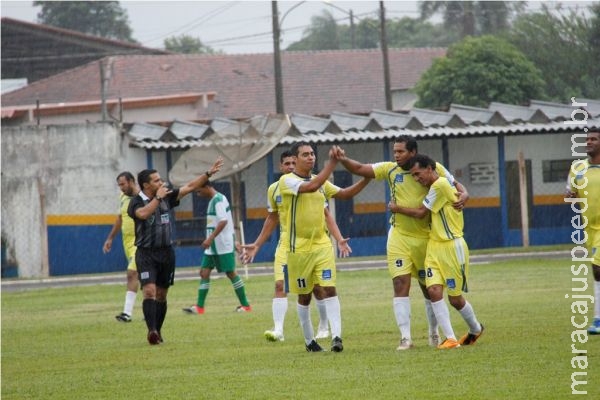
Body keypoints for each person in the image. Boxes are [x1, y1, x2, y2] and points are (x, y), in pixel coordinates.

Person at [333, 136, 469, 350]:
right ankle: (405, 338)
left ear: (413, 152)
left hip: (426, 237)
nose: (396, 155)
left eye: (400, 152)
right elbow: (360, 168)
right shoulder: (390, 169)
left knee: (429, 289)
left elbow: (456, 185)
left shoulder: (433, 168)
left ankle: (434, 332)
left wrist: (465, 194)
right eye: (394, 151)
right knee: (400, 284)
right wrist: (343, 159)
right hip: (399, 236)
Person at [242, 150, 353, 342]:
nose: (291, 167)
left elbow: (327, 212)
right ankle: (279, 329)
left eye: (294, 163)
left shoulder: (314, 183)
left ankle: (324, 326)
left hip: (314, 244)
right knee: (280, 284)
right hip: (287, 244)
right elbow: (272, 217)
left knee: (319, 288)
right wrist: (257, 244)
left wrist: (339, 238)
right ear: (281, 166)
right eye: (287, 164)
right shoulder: (275, 188)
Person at [278, 142, 371, 352]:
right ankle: (310, 341)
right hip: (298, 250)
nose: (310, 157)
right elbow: (310, 187)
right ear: (296, 159)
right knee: (304, 295)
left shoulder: (320, 181)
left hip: (322, 245)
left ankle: (337, 337)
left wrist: (366, 178)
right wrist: (332, 163)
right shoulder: (287, 180)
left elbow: (345, 193)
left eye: (312, 154)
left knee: (329, 288)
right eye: (305, 155)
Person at [391, 154, 483, 349]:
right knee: (432, 290)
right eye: (413, 176)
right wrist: (464, 192)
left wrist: (395, 207)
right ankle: (450, 338)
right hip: (434, 245)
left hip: (452, 246)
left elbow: (420, 213)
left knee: (455, 299)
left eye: (418, 174)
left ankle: (475, 328)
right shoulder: (437, 184)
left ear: (430, 169)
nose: (416, 179)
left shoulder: (440, 185)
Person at [128, 157, 223, 345]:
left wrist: (207, 174)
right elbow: (144, 214)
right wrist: (158, 198)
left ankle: (158, 331)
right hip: (146, 253)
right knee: (149, 291)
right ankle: (151, 331)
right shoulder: (136, 202)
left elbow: (188, 187)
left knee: (162, 295)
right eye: (156, 180)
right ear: (146, 185)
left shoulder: (167, 197)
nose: (161, 182)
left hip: (166, 253)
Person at [182, 180, 251, 314]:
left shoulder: (218, 200)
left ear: (206, 187)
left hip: (222, 244)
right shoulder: (216, 199)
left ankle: (246, 306)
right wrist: (234, 239)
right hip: (213, 246)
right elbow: (228, 221)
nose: (198, 193)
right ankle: (199, 307)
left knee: (230, 273)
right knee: (204, 272)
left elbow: (224, 221)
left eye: (199, 190)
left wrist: (210, 238)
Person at [566, 130, 600, 334]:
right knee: (596, 271)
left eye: (594, 139)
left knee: (597, 270)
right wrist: (570, 196)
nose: (589, 142)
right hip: (589, 228)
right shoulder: (577, 168)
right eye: (587, 139)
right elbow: (572, 194)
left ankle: (597, 319)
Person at [103, 172, 140, 322]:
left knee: (132, 273)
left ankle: (127, 313)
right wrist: (110, 238)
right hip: (128, 243)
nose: (121, 187)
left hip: (141, 242)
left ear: (132, 182)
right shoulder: (123, 197)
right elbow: (120, 218)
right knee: (143, 277)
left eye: (123, 184)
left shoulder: (142, 198)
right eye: (119, 185)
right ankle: (152, 309)